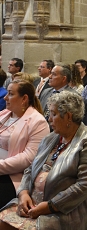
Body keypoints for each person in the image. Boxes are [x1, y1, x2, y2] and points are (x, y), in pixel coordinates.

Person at [0, 91, 87, 230]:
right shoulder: (51, 138)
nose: (49, 119)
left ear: (68, 116)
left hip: (68, 211)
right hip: (34, 204)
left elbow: (86, 185)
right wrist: (23, 193)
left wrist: (51, 206)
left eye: (53, 114)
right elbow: (30, 169)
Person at [0, 80, 49, 209]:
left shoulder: (38, 122)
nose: (5, 97)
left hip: (12, 176)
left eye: (10, 94)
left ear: (24, 98)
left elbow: (28, 158)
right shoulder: (4, 114)